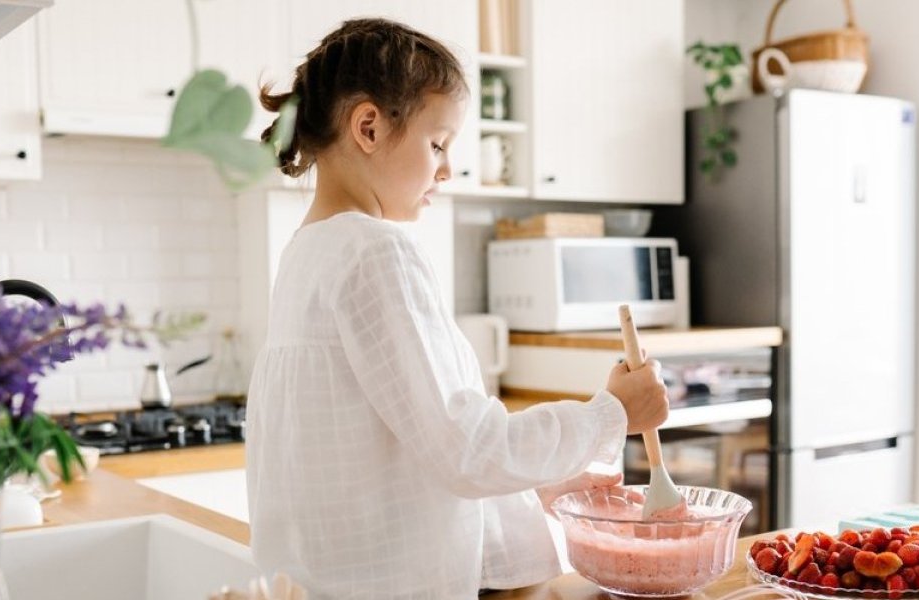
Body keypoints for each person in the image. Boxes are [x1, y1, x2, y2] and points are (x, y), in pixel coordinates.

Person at [246, 17, 670, 598]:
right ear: (368, 127)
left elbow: (415, 451)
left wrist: (549, 479)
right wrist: (610, 415)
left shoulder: (306, 254)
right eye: (437, 143)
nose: (447, 168)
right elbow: (468, 449)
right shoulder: (377, 251)